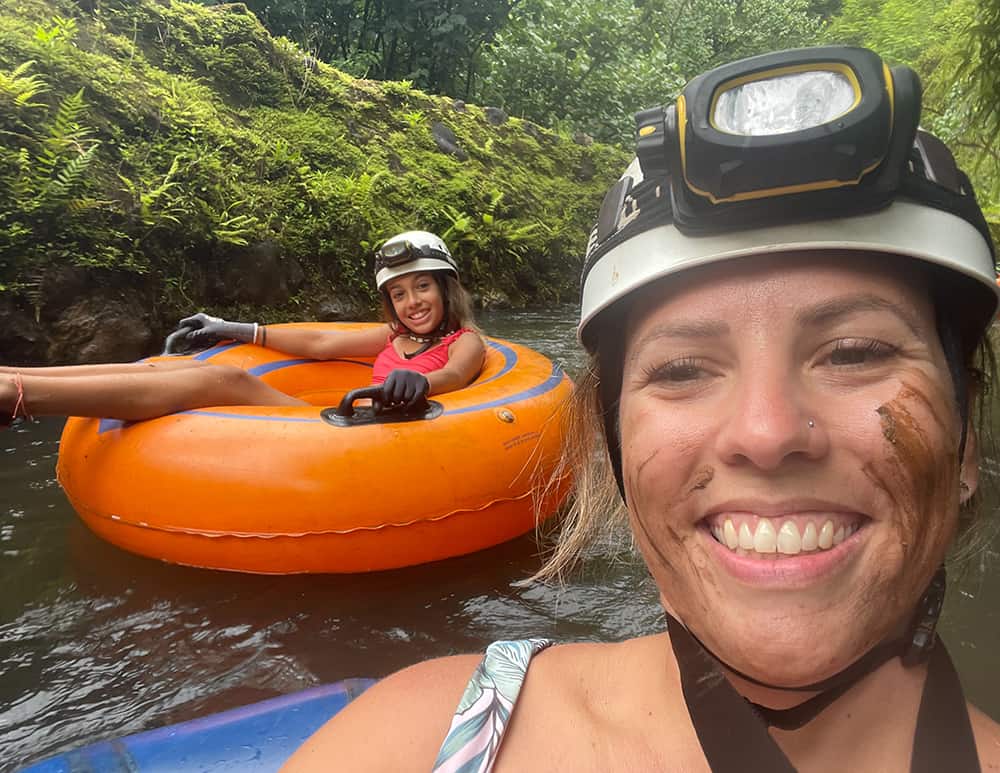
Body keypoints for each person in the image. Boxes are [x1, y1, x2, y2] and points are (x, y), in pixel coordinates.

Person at [281, 46, 1000, 771]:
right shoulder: (410, 738)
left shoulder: (461, 343)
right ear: (615, 440)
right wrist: (241, 335)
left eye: (853, 353)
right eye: (684, 368)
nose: (767, 432)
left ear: (967, 440)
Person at [1, 230, 485, 423]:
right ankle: (12, 378)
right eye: (398, 294)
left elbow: (457, 376)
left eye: (422, 287)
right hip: (349, 422)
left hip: (366, 427)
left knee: (226, 379)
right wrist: (230, 327)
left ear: (446, 288)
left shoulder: (468, 341)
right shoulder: (394, 337)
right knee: (160, 368)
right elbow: (318, 341)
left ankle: (19, 400)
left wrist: (419, 381)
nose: (411, 302)